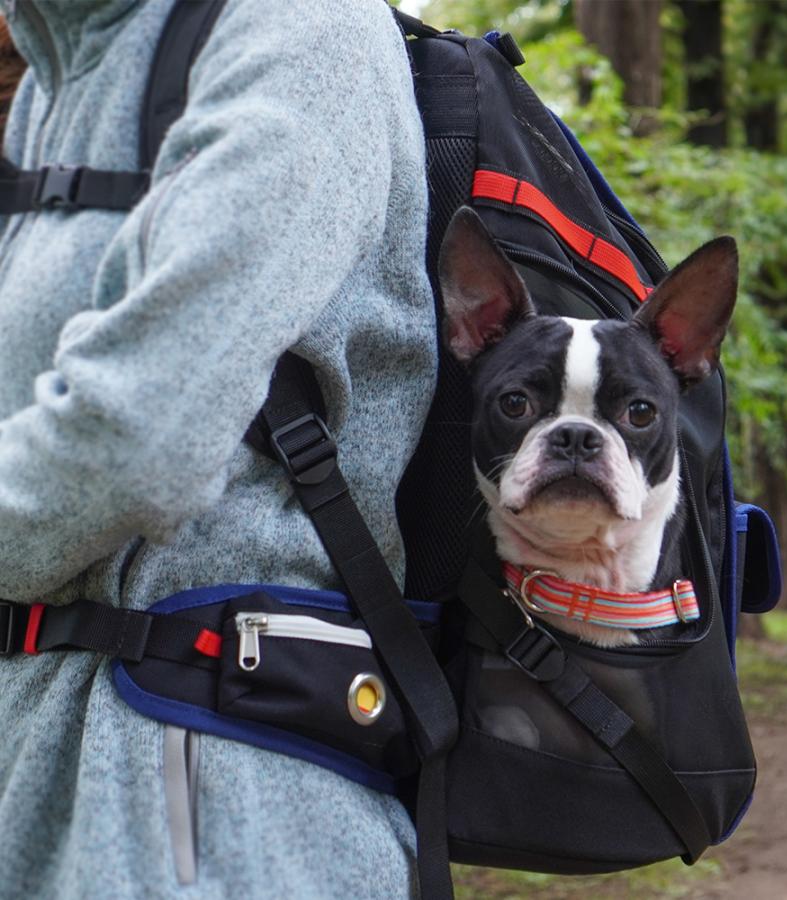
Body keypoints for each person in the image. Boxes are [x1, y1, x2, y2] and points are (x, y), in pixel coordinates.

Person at [0, 1, 434, 897]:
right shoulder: (56, 75)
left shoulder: (303, 32)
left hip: (208, 802)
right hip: (41, 764)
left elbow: (136, 439)